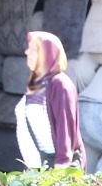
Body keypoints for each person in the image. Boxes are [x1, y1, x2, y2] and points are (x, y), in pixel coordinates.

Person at [15, 31, 83, 169]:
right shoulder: (36, 85)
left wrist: (62, 165)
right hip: (41, 166)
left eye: (33, 49)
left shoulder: (59, 84)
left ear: (46, 54)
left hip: (57, 168)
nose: (27, 52)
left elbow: (64, 126)